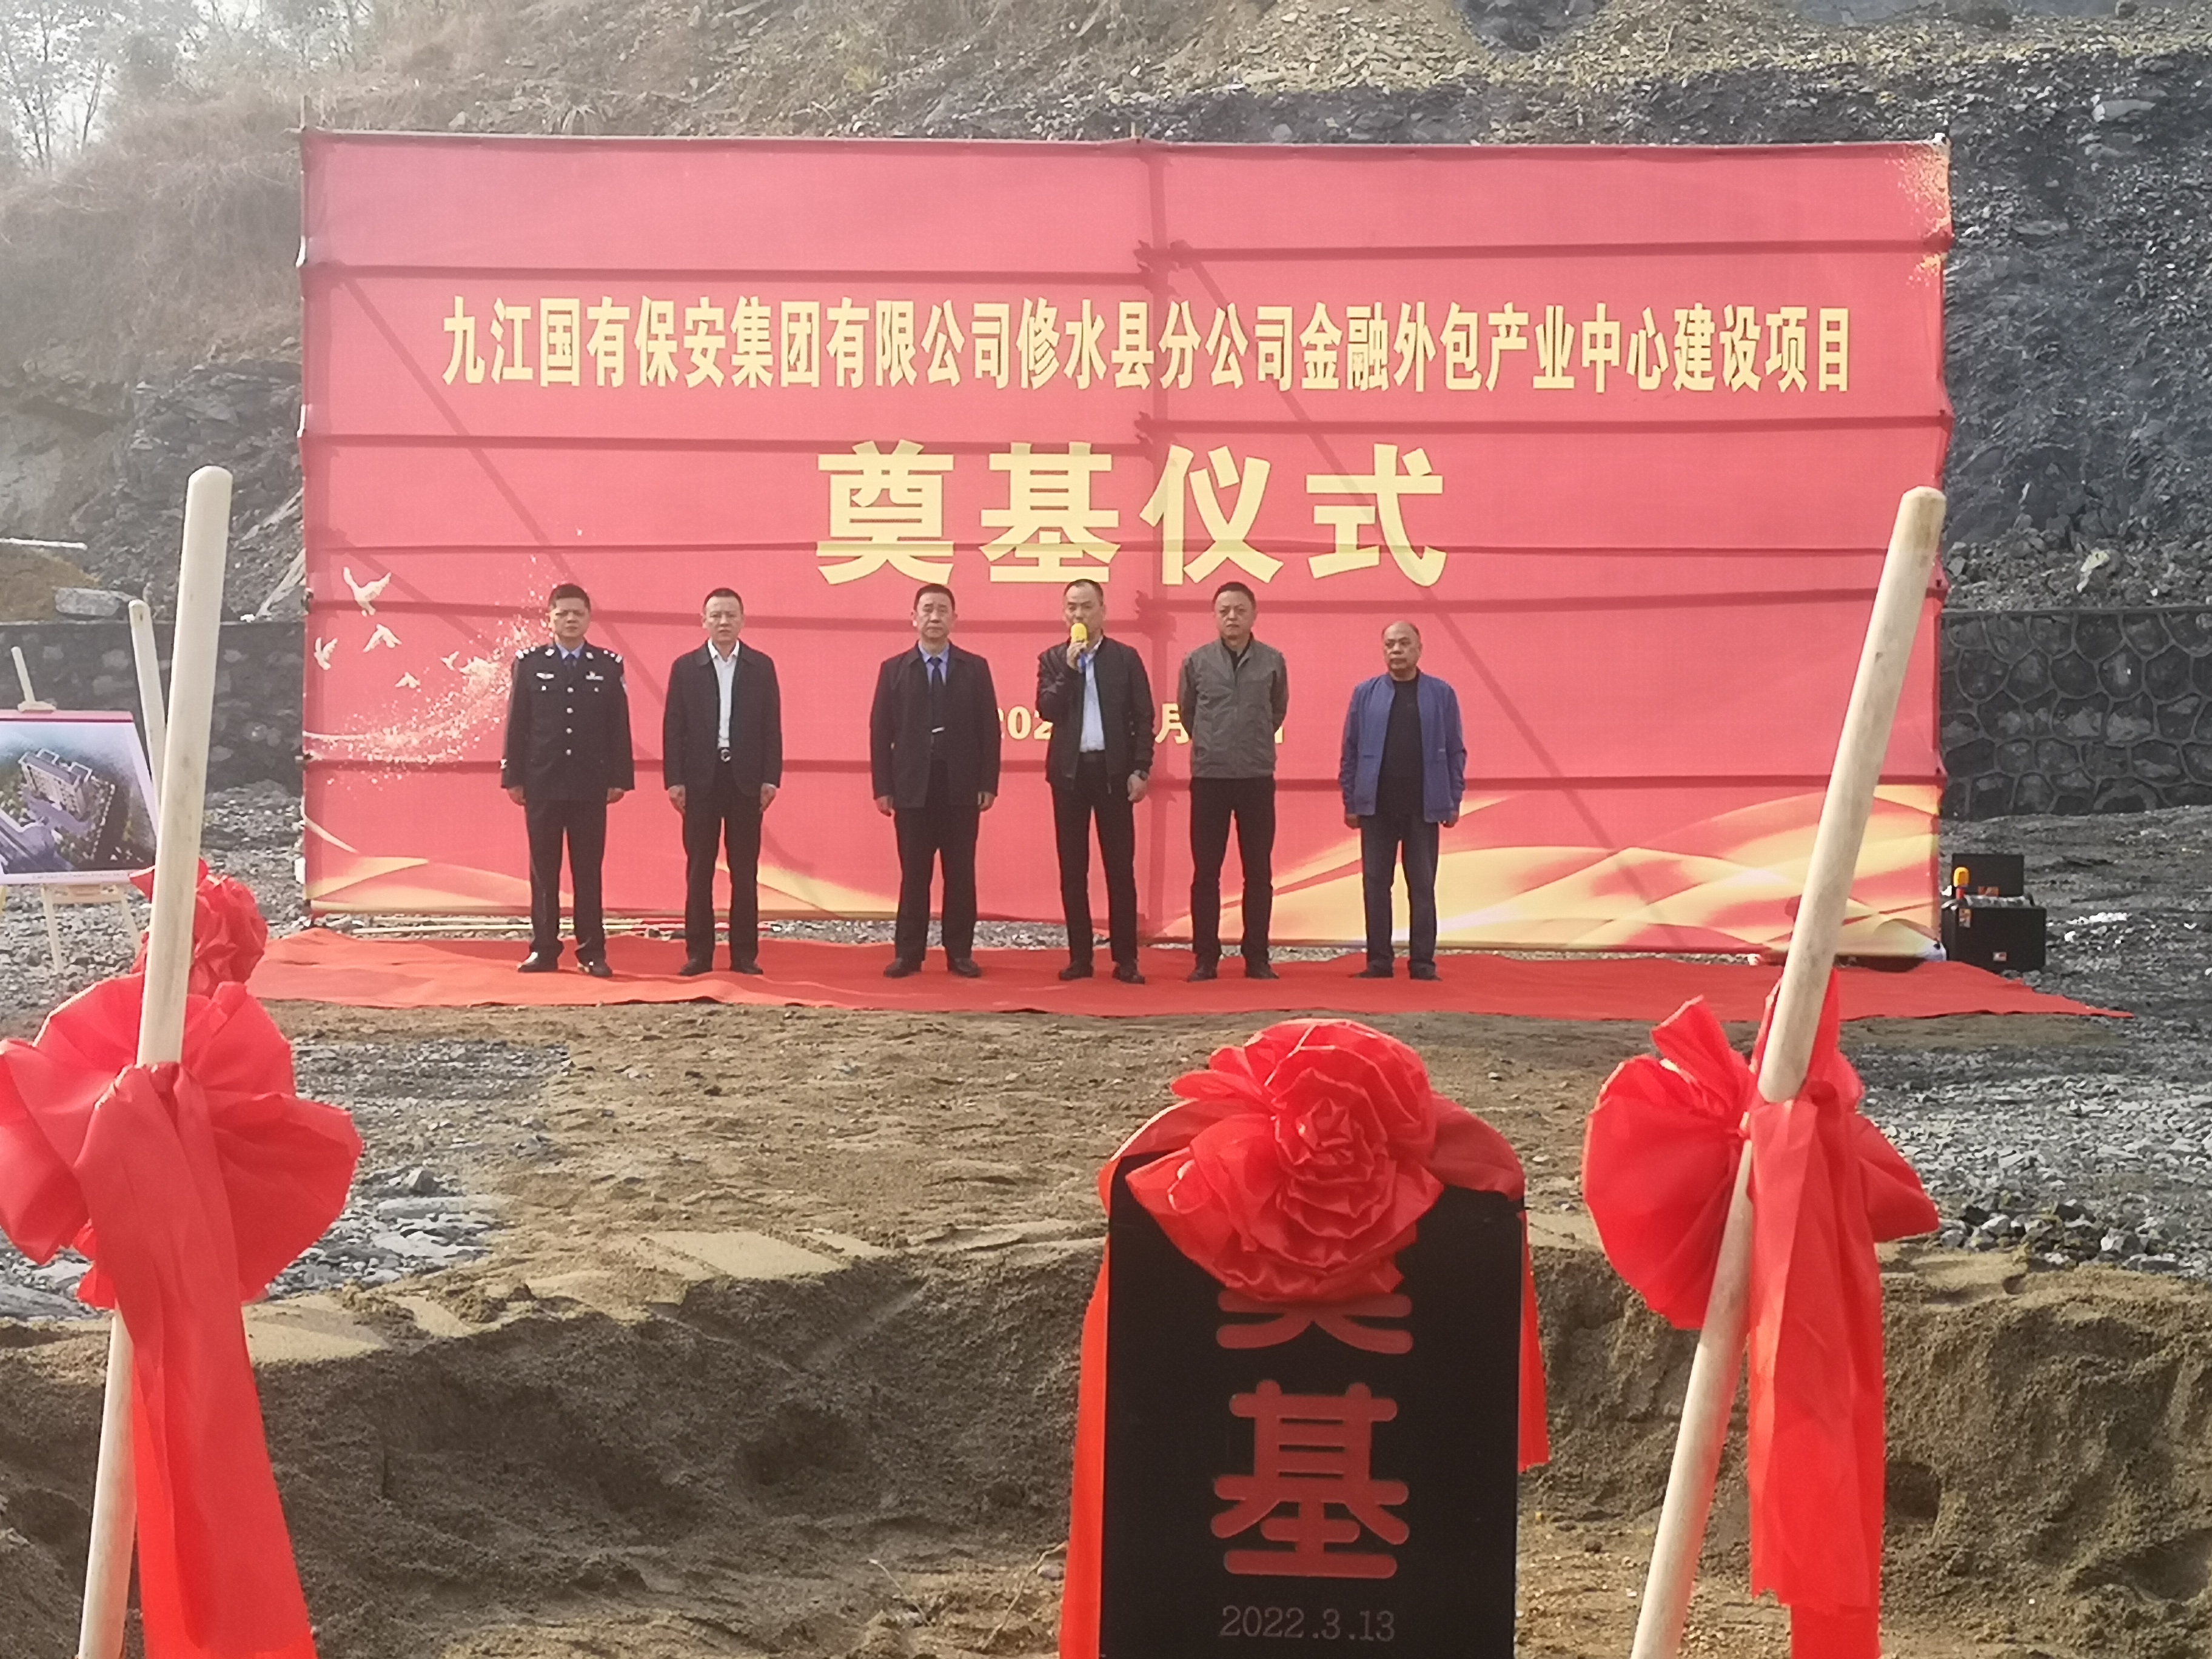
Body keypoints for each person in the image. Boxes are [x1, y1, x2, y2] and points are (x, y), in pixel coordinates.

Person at [870, 583, 1001, 977]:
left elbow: (989, 730)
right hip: (912, 787)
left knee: (960, 873)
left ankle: (959, 952)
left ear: (954, 619)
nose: (934, 617)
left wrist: (988, 783)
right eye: (927, 609)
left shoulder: (974, 668)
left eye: (942, 610)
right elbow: (880, 732)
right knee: (914, 875)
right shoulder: (894, 670)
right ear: (914, 618)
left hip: (961, 786)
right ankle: (909, 954)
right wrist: (883, 787)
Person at [501, 583, 634, 976]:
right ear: (550, 618)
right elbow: (518, 724)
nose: (571, 620)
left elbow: (618, 726)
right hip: (542, 781)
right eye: (563, 614)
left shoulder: (607, 665)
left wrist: (620, 777)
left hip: (590, 784)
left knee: (587, 871)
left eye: (578, 613)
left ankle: (592, 951)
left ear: (589, 618)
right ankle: (544, 949)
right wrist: (513, 777)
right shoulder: (529, 663)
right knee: (544, 871)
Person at [1035, 577, 1155, 984]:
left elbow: (1143, 716)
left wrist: (1141, 769)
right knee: (1073, 870)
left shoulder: (1125, 658)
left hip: (1113, 774)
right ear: (1063, 613)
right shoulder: (1054, 659)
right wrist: (1070, 671)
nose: (1079, 615)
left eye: (1087, 607)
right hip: (1069, 776)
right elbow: (1048, 710)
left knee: (1120, 868)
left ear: (1103, 611)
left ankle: (1126, 959)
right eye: (1072, 607)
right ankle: (1080, 958)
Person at [663, 588, 782, 976]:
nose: (724, 622)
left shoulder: (761, 667)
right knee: (699, 869)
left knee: (744, 870)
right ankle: (699, 953)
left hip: (745, 780)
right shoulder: (686, 667)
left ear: (743, 620)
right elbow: (673, 728)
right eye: (716, 615)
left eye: (731, 615)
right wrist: (674, 780)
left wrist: (771, 779)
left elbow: (772, 727)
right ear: (704, 621)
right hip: (700, 780)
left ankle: (744, 954)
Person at [1339, 621, 1466, 981]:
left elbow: (1455, 750)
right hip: (1376, 806)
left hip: (1424, 805)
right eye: (1390, 644)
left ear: (1419, 649)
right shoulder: (1365, 694)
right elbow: (1350, 750)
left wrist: (1453, 798)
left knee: (1422, 886)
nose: (1396, 650)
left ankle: (1423, 963)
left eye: (1404, 643)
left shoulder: (1441, 694)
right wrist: (1351, 800)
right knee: (1376, 884)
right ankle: (1379, 962)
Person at [1176, 580, 1289, 981]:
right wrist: (1214, 744)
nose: (1232, 617)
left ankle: (1257, 957)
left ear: (1254, 614)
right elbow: (1188, 713)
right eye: (1224, 611)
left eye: (1240, 610)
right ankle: (1206, 957)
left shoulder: (1272, 661)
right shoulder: (1197, 661)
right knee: (1206, 872)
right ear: (1215, 616)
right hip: (1211, 777)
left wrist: (1251, 742)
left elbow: (1277, 711)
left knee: (1258, 872)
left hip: (1256, 776)